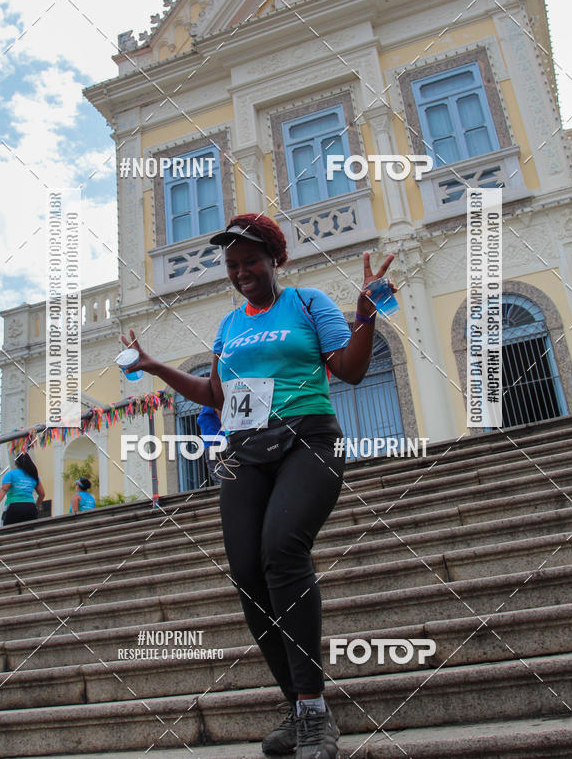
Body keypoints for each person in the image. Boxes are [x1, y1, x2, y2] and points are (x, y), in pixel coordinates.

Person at [120, 212, 395, 759]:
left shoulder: (308, 303)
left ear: (275, 259)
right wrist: (154, 367)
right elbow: (216, 394)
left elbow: (351, 369)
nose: (241, 271)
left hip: (309, 439)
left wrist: (365, 316)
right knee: (248, 573)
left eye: (250, 261)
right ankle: (295, 706)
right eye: (233, 265)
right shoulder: (229, 325)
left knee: (281, 551)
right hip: (246, 451)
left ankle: (316, 713)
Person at [0, 452, 44, 525]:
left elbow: (4, 489)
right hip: (30, 508)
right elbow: (42, 494)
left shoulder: (11, 474)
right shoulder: (34, 476)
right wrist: (36, 506)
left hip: (13, 507)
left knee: (6, 532)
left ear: (16, 463)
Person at [196, 406, 224, 487]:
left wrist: (224, 426)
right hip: (211, 443)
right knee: (218, 473)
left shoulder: (208, 404)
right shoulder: (205, 408)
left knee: (218, 475)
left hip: (215, 442)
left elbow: (218, 408)